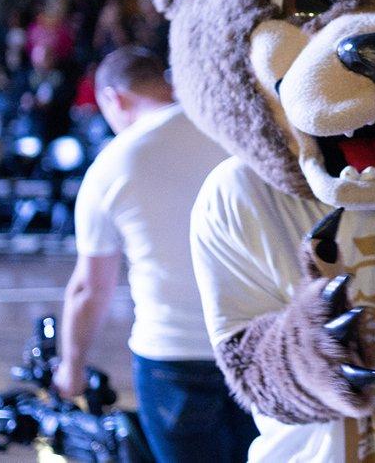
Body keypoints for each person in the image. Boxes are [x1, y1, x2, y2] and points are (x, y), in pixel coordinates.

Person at [53, 49, 254, 461]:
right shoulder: (233, 134)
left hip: (171, 357)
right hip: (252, 344)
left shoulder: (112, 165)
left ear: (114, 98)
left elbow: (91, 289)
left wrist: (71, 367)